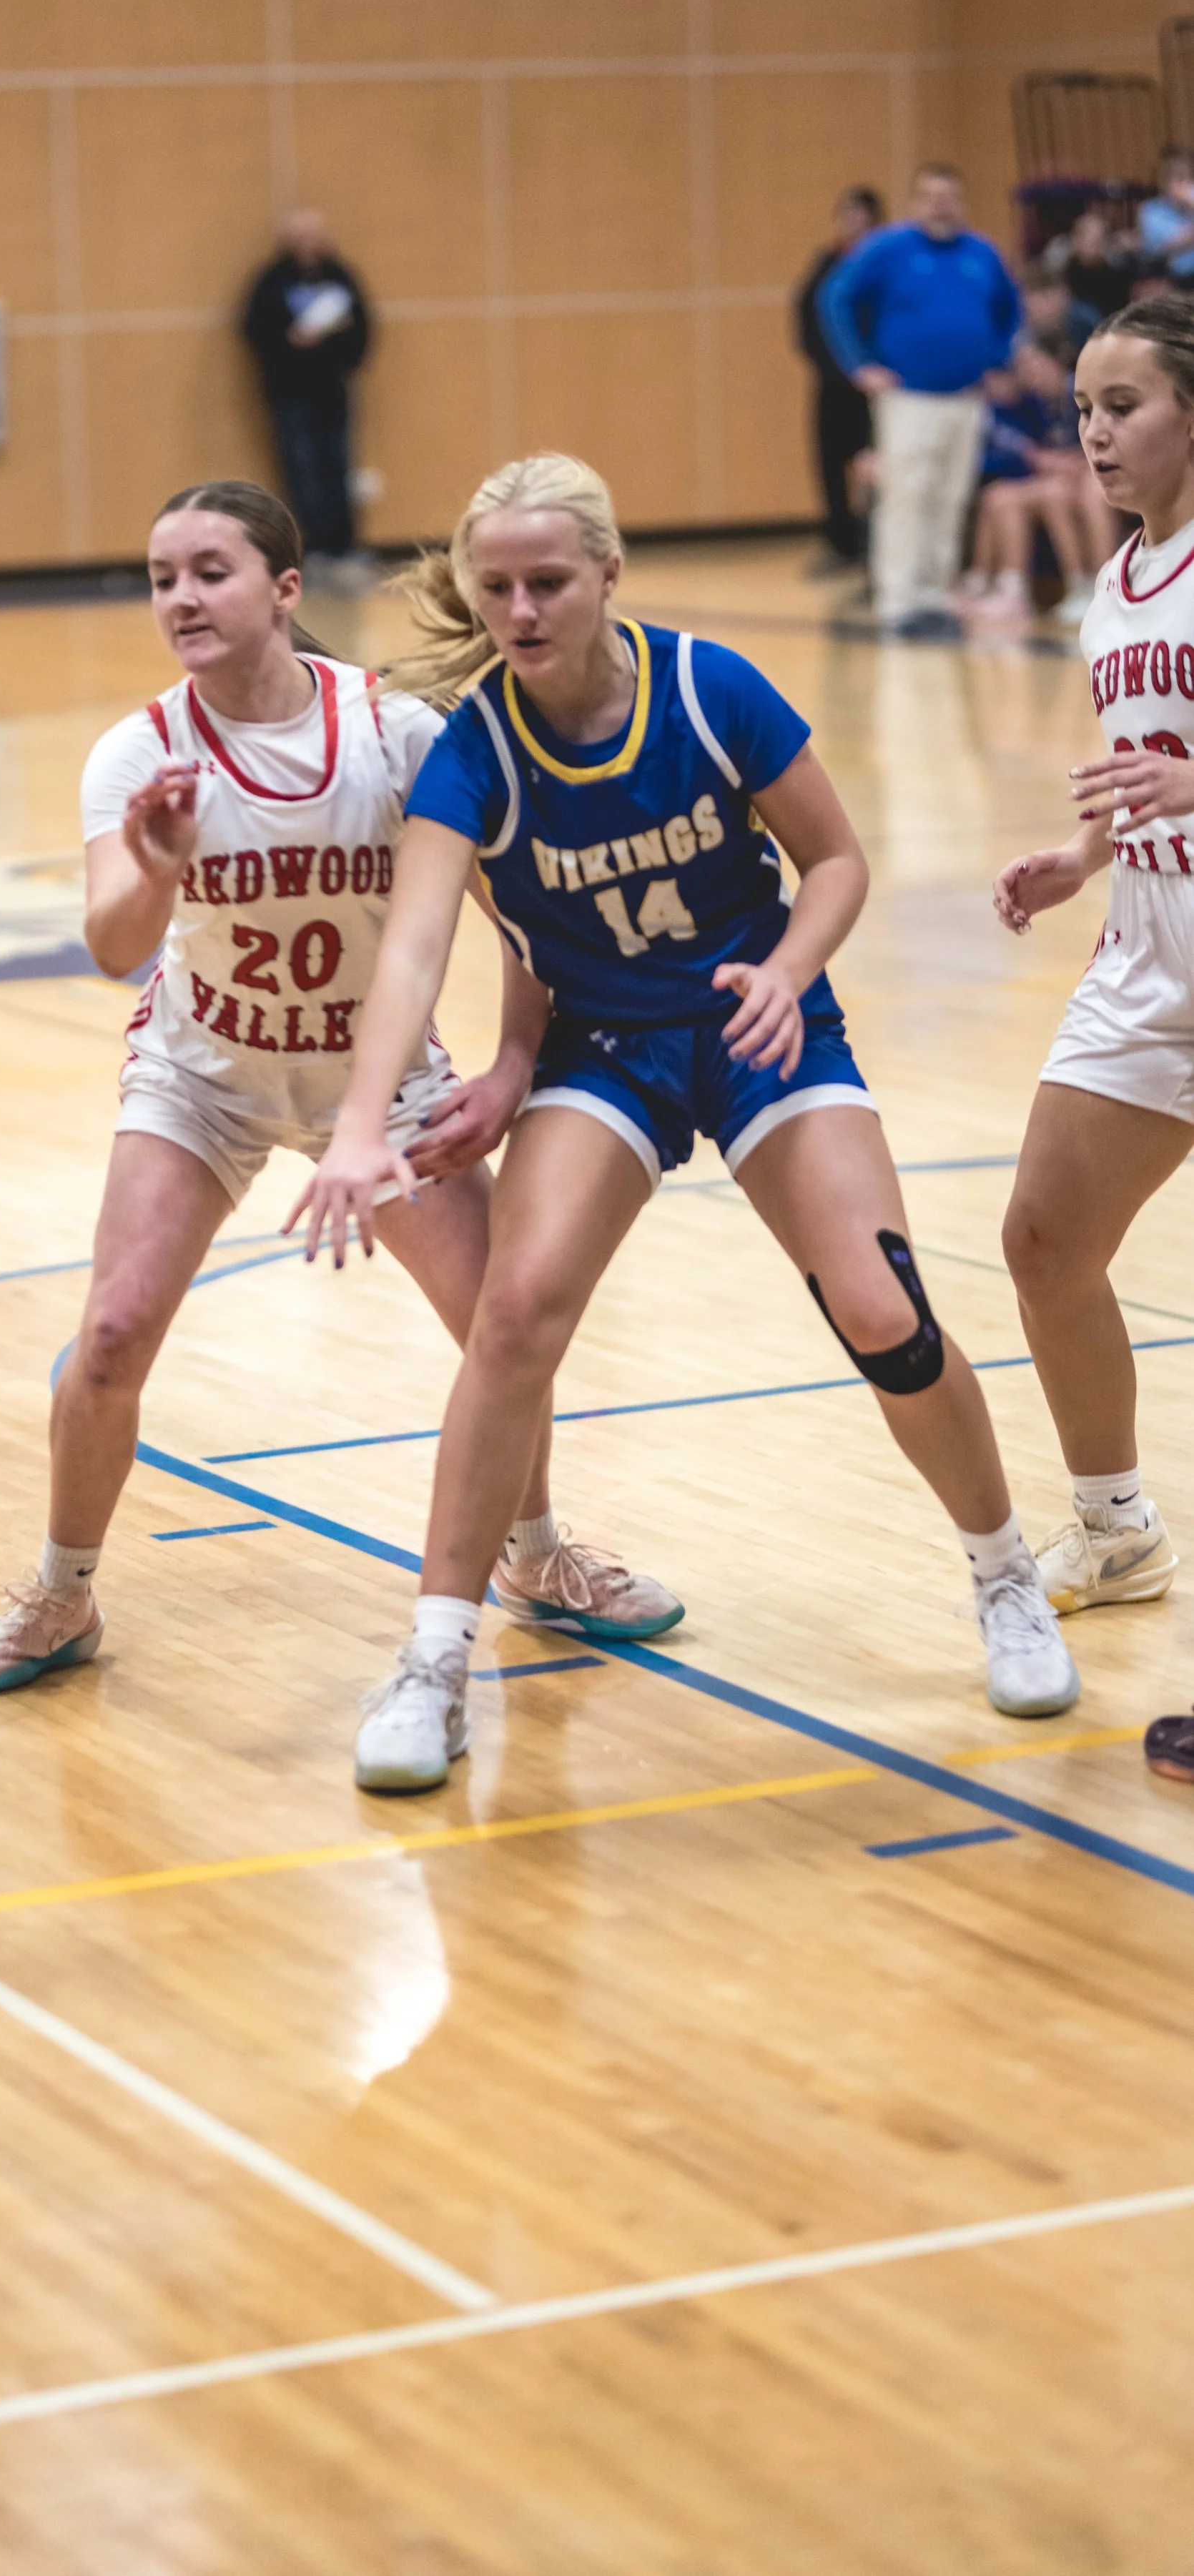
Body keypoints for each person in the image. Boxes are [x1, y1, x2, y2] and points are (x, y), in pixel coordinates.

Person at [290, 453, 1077, 1794]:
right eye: (497, 588)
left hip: (761, 1027)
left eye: (549, 582)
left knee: (883, 1307)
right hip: (606, 1050)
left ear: (610, 574)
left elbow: (837, 861)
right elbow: (417, 947)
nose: (521, 610)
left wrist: (786, 969)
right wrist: (370, 1122)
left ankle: (1006, 1576)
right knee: (514, 1315)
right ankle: (433, 1660)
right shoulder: (477, 750)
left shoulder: (711, 689)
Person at [0, 480, 679, 1698]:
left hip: (379, 1086)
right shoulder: (139, 751)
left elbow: (529, 922)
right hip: (204, 1078)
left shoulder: (397, 736)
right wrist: (156, 868)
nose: (181, 597)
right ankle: (61, 1594)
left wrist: (512, 1065)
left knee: (504, 1328)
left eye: (210, 571)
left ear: (285, 588)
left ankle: (537, 1556)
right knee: (111, 1334)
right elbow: (113, 944)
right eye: (163, 577)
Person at [991, 295, 1194, 1780]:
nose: (1095, 432)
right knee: (1043, 1239)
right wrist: (1080, 857)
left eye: (1122, 405)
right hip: (1151, 959)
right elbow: (1149, 775)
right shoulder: (1114, 587)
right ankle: (1116, 1528)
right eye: (1082, 409)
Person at [820, 164, 1024, 638]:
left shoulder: (981, 253)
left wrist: (999, 360)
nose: (940, 206)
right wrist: (859, 363)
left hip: (967, 398)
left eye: (949, 197)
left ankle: (935, 598)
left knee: (950, 498)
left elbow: (1010, 308)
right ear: (914, 203)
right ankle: (900, 603)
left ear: (962, 203)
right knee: (908, 497)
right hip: (908, 398)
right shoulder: (890, 249)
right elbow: (836, 298)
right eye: (930, 197)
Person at [242, 211, 372, 576]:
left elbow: (362, 329)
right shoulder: (272, 281)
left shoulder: (340, 277)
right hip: (289, 391)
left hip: (332, 389)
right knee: (300, 468)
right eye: (301, 238)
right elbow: (255, 330)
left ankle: (343, 543)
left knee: (338, 465)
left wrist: (332, 349)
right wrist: (290, 343)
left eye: (314, 237)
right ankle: (311, 545)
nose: (308, 245)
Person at [960, 340, 1120, 626]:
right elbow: (1027, 453)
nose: (1029, 373)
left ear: (1058, 362)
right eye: (1023, 367)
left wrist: (1071, 464)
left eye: (1035, 364)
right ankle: (1008, 590)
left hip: (1095, 475)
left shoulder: (1084, 395)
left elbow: (1109, 445)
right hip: (1061, 480)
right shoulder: (1035, 401)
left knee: (1071, 492)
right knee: (1000, 496)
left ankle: (1104, 587)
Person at [794, 186, 884, 573]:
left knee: (874, 467)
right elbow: (807, 321)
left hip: (874, 387)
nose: (854, 228)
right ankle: (840, 543)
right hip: (833, 384)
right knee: (830, 465)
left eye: (863, 222)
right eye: (848, 219)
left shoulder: (882, 267)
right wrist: (837, 367)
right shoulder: (826, 264)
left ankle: (872, 549)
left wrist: (867, 369)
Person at [1136, 149, 1194, 289]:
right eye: (1180, 179)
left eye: (1191, 179)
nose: (1187, 186)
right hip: (1171, 280)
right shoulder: (1151, 211)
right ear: (1166, 182)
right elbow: (1162, 248)